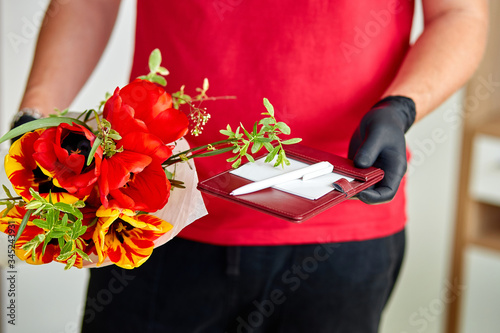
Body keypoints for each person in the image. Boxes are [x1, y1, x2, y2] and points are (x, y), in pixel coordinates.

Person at [14, 0, 488, 332]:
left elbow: (459, 12)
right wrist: (34, 120)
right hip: (150, 218)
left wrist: (401, 107)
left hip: (342, 234)